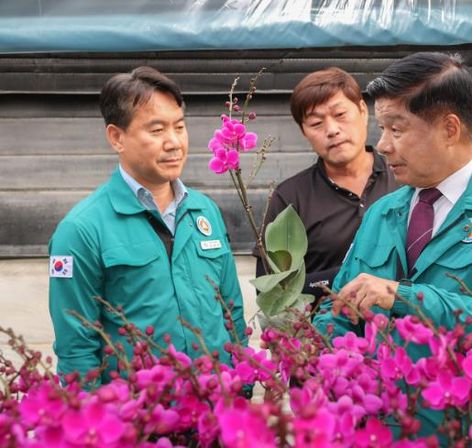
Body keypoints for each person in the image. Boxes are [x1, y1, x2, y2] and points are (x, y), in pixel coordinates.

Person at [313, 52, 472, 434]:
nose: (383, 145)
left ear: (449, 129)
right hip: (378, 431)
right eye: (381, 129)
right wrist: (317, 355)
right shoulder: (382, 213)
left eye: (397, 129)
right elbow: (341, 305)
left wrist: (404, 297)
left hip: (463, 431)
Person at [48, 66, 247, 386]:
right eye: (157, 130)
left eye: (179, 127)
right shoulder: (81, 230)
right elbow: (77, 350)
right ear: (117, 137)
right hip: (140, 413)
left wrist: (242, 385)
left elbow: (231, 312)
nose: (174, 142)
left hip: (216, 404)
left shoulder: (204, 211)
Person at [255, 67, 396, 301]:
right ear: (303, 132)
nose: (332, 130)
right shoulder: (290, 198)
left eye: (340, 114)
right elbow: (270, 292)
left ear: (363, 111)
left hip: (404, 321)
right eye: (316, 123)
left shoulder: (404, 178)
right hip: (322, 323)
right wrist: (345, 276)